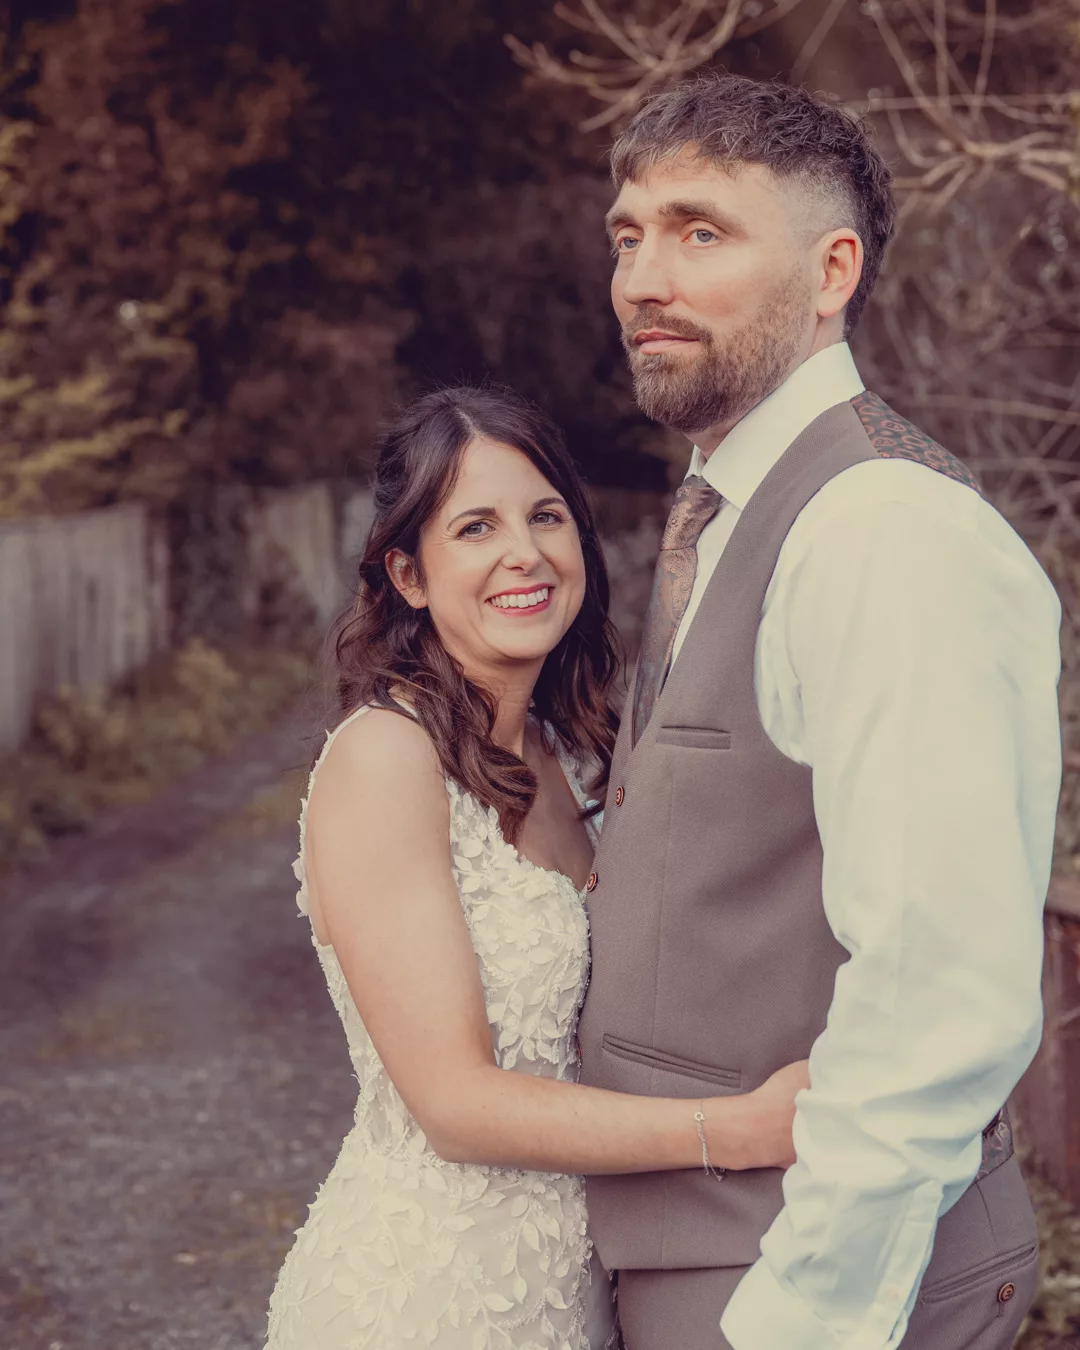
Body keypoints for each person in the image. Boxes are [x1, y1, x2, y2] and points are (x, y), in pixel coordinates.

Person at [576, 72, 1062, 1350]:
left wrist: (796, 1322)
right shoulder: (734, 516)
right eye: (629, 235)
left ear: (832, 269)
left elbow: (938, 992)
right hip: (703, 1256)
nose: (642, 278)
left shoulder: (883, 531)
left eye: (701, 231)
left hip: (806, 1281)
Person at [262, 384, 809, 1350]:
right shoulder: (385, 760)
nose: (525, 552)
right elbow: (456, 1104)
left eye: (546, 516)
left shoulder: (577, 754)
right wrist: (737, 1130)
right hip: (429, 1303)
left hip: (575, 1296)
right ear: (409, 575)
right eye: (475, 526)